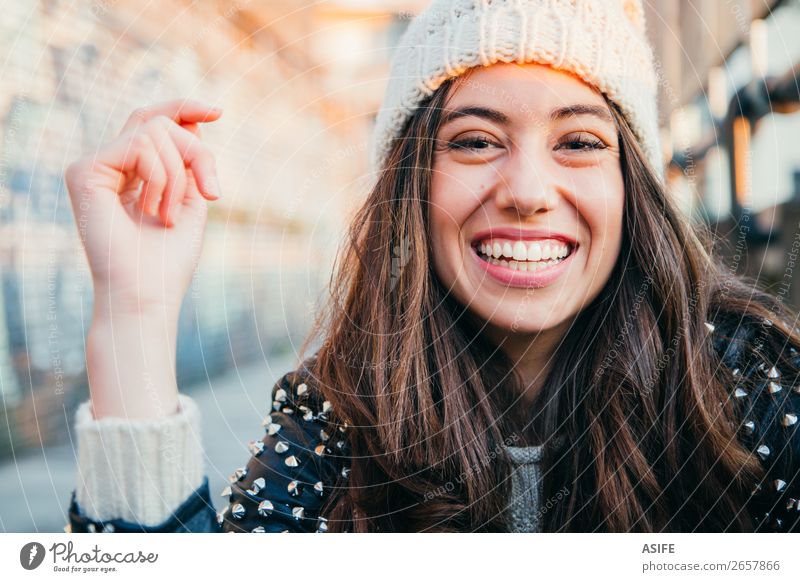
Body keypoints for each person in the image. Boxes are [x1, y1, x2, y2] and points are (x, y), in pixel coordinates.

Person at [64, 0, 800, 534]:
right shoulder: (333, 422)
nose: (527, 193)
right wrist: (134, 317)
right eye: (476, 141)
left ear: (632, 188)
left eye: (578, 141)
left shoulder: (750, 391)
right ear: (410, 187)